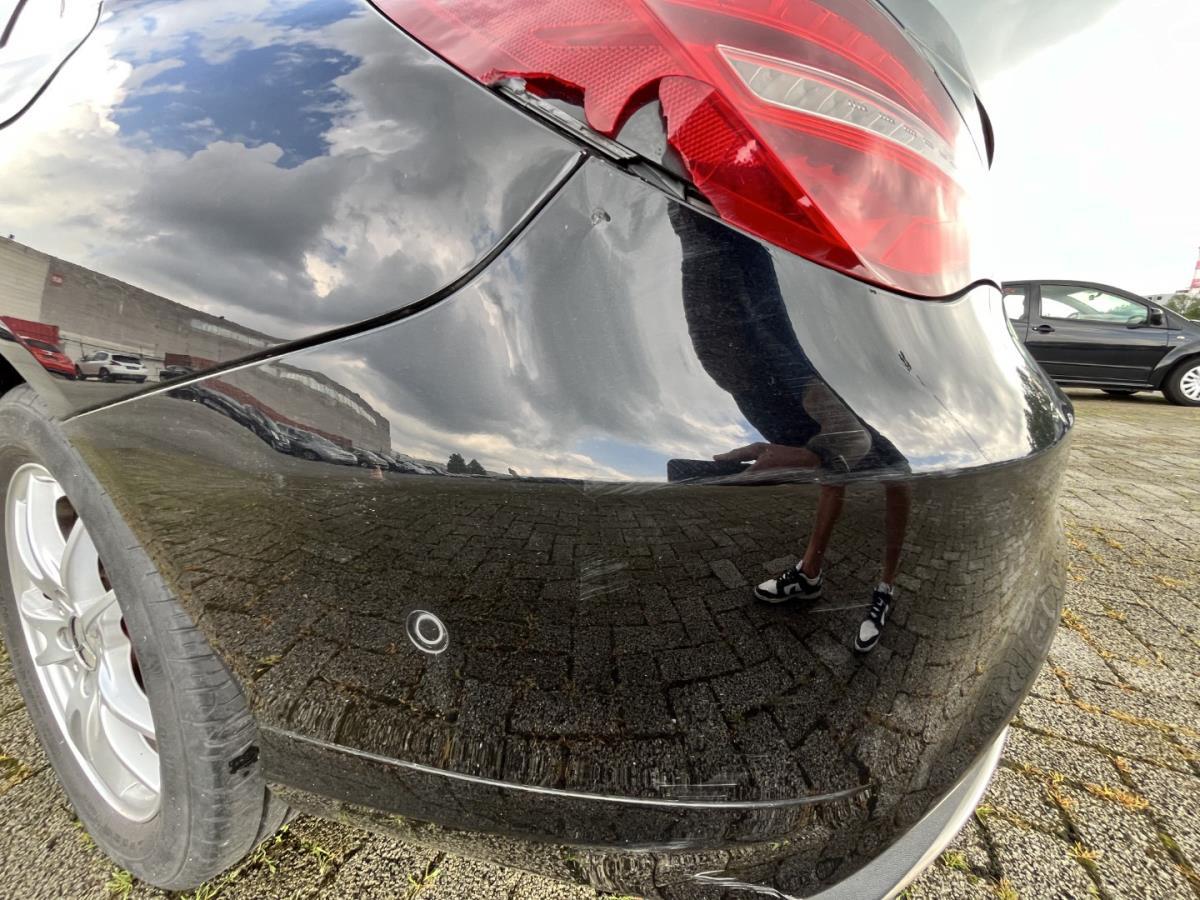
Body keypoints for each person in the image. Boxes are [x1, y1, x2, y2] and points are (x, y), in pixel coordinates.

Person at [670, 203, 910, 652]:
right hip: (715, 244)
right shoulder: (741, 380)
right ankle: (811, 572)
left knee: (894, 470)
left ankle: (884, 589)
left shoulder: (775, 363)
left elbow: (853, 441)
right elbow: (837, 447)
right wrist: (811, 455)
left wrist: (809, 455)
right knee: (843, 467)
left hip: (792, 302)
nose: (700, 338)